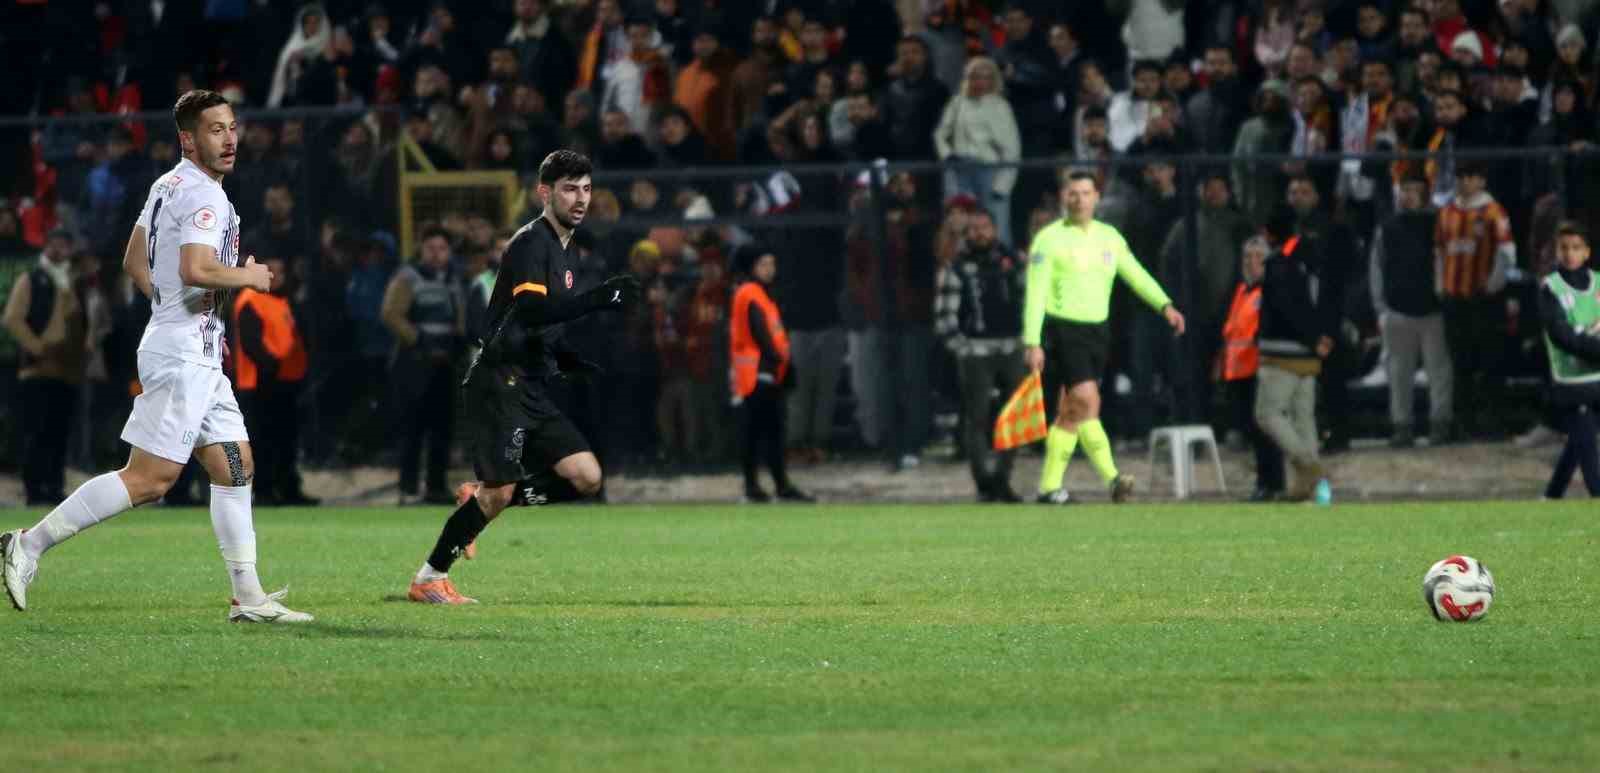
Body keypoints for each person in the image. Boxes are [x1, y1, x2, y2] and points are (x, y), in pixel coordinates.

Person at [1, 90, 312, 622]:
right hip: (183, 356)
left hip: (193, 352)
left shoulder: (168, 184)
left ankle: (249, 597)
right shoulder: (205, 196)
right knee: (150, 479)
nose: (230, 139)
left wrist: (172, 310)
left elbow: (132, 259)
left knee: (235, 465)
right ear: (188, 139)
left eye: (232, 127)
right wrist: (249, 277)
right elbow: (196, 268)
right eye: (215, 130)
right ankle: (27, 544)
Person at [406, 150, 641, 605]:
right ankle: (429, 577)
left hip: (530, 384)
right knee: (498, 494)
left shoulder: (566, 249)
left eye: (586, 189)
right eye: (570, 189)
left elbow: (539, 320)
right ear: (544, 193)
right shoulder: (532, 242)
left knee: (586, 477)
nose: (580, 199)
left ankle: (478, 499)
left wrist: (564, 357)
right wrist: (598, 298)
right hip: (500, 382)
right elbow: (532, 308)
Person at [1025, 171, 1187, 505]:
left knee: (1074, 411)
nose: (1079, 200)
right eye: (1073, 193)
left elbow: (1135, 273)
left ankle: (1049, 487)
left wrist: (1164, 305)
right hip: (1063, 329)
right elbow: (1036, 292)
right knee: (1087, 400)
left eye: (1086, 193)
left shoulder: (1109, 237)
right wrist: (1033, 341)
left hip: (1098, 330)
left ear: (1096, 197)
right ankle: (1112, 478)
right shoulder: (1049, 239)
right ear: (1063, 197)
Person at [934, 209, 1028, 502]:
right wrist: (963, 348)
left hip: (1013, 347)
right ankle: (983, 482)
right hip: (976, 350)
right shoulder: (957, 268)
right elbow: (944, 317)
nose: (980, 234)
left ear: (995, 229)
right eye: (973, 229)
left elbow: (1030, 299)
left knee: (1014, 417)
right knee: (977, 417)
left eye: (985, 227)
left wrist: (1029, 341)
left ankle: (1002, 478)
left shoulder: (1013, 262)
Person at [381, 225, 466, 505]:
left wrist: (457, 340)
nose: (437, 254)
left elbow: (459, 315)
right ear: (421, 249)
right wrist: (419, 339)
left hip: (445, 362)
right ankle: (408, 488)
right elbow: (391, 313)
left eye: (442, 248)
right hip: (414, 362)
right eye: (431, 248)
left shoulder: (453, 278)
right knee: (413, 427)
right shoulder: (408, 277)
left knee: (442, 427)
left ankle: (436, 487)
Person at [2, 227, 87, 505]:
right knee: (36, 432)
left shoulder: (73, 281)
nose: (60, 249)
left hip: (67, 370)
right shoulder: (31, 278)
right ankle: (34, 489)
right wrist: (37, 347)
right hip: (37, 369)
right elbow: (12, 318)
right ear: (47, 246)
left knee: (60, 433)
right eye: (55, 243)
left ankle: (54, 487)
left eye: (64, 244)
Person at [1256, 209, 1334, 504]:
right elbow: (1326, 299)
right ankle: (1312, 491)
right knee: (1304, 419)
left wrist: (1310, 337)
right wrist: (1321, 337)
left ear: (1269, 233)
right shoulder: (1314, 259)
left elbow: (1286, 307)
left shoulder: (1279, 264)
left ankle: (1309, 466)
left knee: (1268, 414)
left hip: (1281, 353)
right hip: (1310, 354)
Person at [1372, 175, 1453, 447]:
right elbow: (1376, 267)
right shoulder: (1387, 227)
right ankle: (1402, 426)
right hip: (1397, 311)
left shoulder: (1439, 224)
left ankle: (1440, 424)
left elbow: (1445, 261)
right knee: (1398, 374)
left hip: (1433, 310)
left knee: (1439, 372)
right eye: (1404, 190)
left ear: (1425, 195)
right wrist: (1381, 307)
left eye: (1414, 190)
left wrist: (1445, 299)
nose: (1407, 195)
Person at [729, 245, 813, 504]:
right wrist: (778, 360)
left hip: (764, 374)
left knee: (762, 432)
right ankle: (768, 486)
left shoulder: (761, 294)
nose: (770, 269)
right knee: (765, 432)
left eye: (772, 264)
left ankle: (763, 486)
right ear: (751, 267)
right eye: (764, 264)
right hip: (758, 374)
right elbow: (761, 333)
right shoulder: (751, 293)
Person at [232, 255, 317, 506]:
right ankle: (265, 490)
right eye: (271, 270)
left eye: (280, 271)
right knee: (263, 439)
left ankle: (288, 488)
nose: (276, 276)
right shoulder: (250, 299)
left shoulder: (282, 300)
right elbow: (251, 344)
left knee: (286, 439)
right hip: (260, 382)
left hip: (286, 381)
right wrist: (273, 364)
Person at [1217, 237, 1285, 501]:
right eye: (1247, 256)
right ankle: (1264, 483)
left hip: (1260, 369)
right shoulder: (1241, 291)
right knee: (1253, 431)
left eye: (1258, 257)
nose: (1252, 262)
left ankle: (1273, 484)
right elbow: (1232, 331)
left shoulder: (1269, 292)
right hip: (1239, 372)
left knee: (1265, 430)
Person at [1537, 221, 1600, 499]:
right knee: (1586, 441)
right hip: (1572, 381)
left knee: (1579, 440)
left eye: (1576, 248)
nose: (1570, 254)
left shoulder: (1599, 283)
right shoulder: (1551, 288)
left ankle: (1551, 496)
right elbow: (1561, 335)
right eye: (1564, 248)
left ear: (1587, 252)